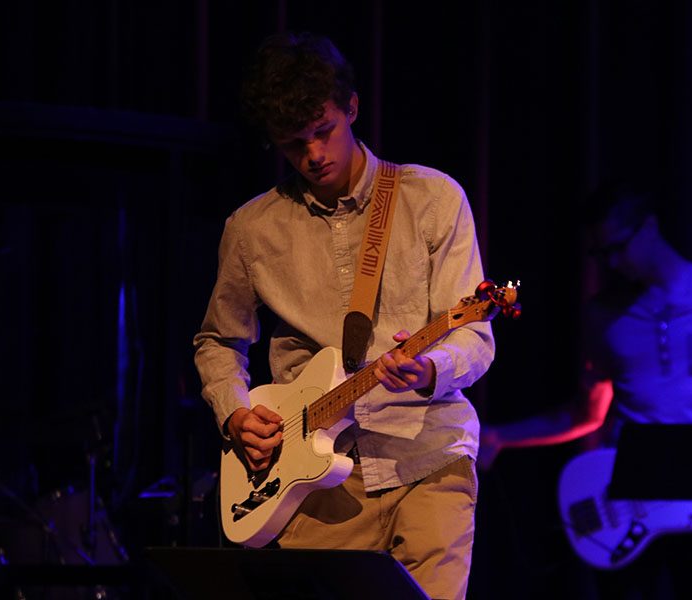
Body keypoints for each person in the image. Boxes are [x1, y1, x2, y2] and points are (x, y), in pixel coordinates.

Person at [193, 32, 494, 600]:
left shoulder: (433, 198)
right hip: (313, 486)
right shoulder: (251, 229)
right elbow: (218, 340)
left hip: (428, 457)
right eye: (292, 143)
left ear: (351, 108)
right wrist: (234, 413)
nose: (313, 155)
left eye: (323, 130)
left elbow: (475, 333)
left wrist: (431, 371)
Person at [479, 184, 692, 598]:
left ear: (649, 227)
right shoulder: (603, 315)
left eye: (617, 247)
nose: (612, 262)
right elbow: (586, 413)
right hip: (626, 502)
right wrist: (501, 437)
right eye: (600, 254)